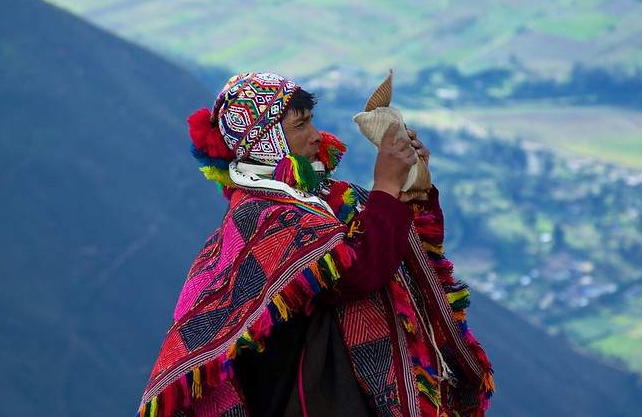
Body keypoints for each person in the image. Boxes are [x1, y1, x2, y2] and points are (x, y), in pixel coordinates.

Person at [137, 72, 494, 417]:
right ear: (266, 142)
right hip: (307, 399)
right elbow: (359, 273)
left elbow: (388, 238)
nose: (315, 137)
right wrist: (386, 187)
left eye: (311, 121)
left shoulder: (318, 200)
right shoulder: (262, 216)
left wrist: (407, 185)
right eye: (300, 125)